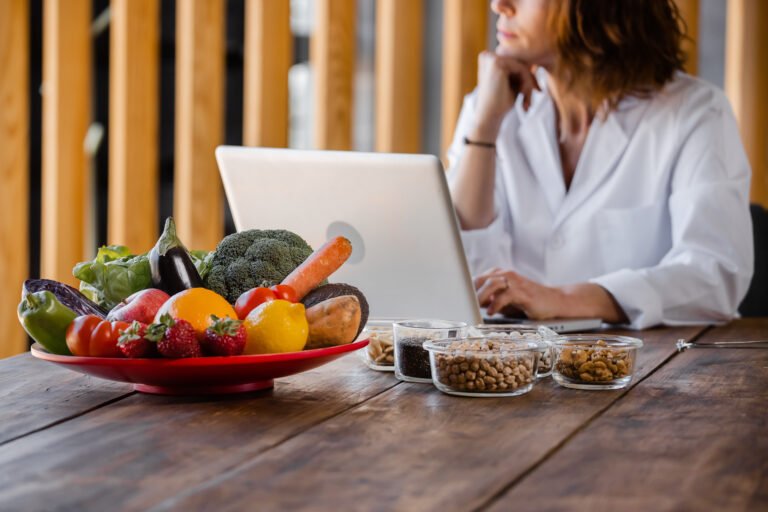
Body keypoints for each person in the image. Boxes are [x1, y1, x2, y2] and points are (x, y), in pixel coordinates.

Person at [447, 0, 753, 329]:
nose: (499, 5)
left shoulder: (695, 112)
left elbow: (715, 275)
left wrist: (560, 300)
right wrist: (483, 130)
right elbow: (467, 280)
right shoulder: (487, 106)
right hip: (514, 368)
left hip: (654, 367)